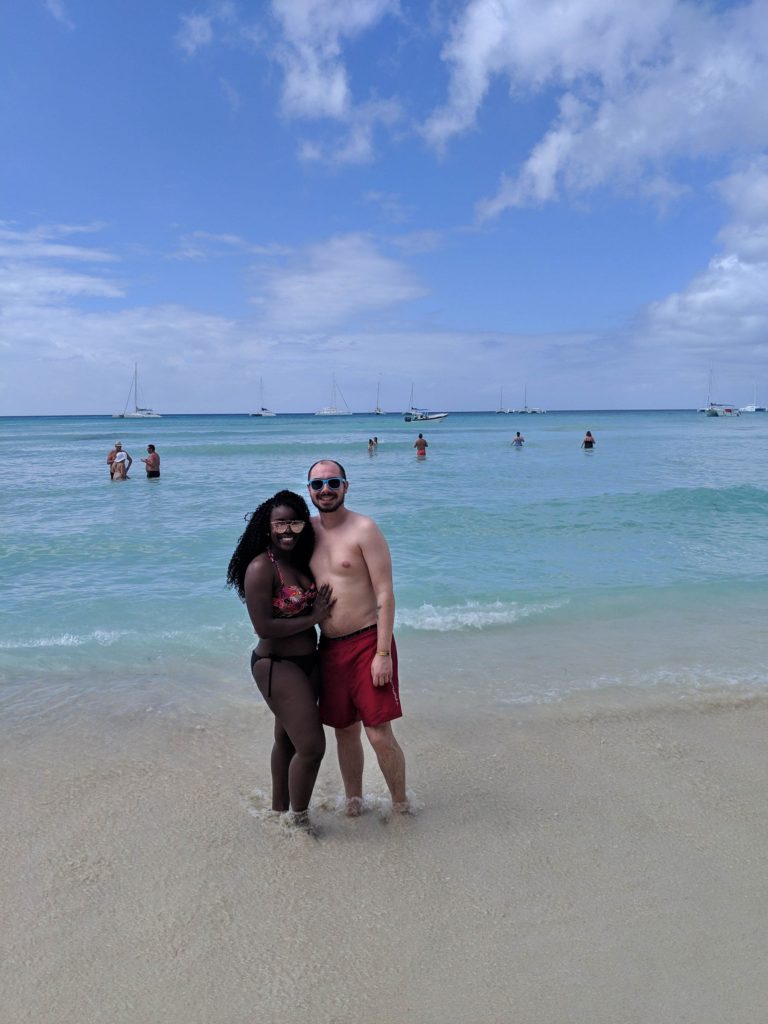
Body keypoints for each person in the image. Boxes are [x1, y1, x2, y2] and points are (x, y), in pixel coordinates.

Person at [226, 490, 335, 831]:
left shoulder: (300, 560)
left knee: (287, 740)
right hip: (276, 665)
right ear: (267, 526)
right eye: (281, 523)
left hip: (308, 662)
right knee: (313, 747)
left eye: (295, 522)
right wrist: (315, 618)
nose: (288, 530)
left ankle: (278, 810)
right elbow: (264, 626)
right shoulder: (261, 567)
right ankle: (298, 822)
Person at [307, 460, 409, 816]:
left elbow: (385, 594)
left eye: (333, 482)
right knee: (344, 731)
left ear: (346, 486)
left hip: (368, 642)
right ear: (309, 491)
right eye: (318, 485)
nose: (326, 490)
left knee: (378, 733)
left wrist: (383, 652)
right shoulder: (307, 531)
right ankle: (355, 803)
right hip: (330, 648)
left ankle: (400, 806)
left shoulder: (364, 529)